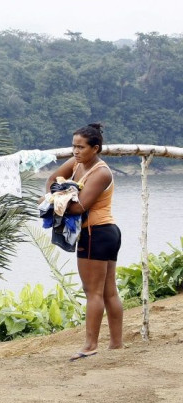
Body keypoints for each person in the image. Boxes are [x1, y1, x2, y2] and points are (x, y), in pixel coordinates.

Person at [44, 123, 123, 361]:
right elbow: (51, 179)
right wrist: (54, 193)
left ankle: (90, 345)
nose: (76, 151)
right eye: (74, 146)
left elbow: (79, 207)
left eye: (81, 147)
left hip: (97, 233)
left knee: (94, 293)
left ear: (95, 148)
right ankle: (116, 344)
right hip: (105, 233)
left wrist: (55, 201)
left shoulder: (101, 172)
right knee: (108, 291)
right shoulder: (77, 164)